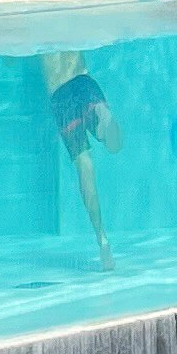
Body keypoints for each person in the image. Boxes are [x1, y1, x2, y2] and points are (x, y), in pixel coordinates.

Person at [42, 49, 119, 265]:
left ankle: (101, 237)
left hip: (61, 96)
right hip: (83, 82)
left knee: (85, 168)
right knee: (110, 142)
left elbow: (10, 60)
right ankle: (103, 114)